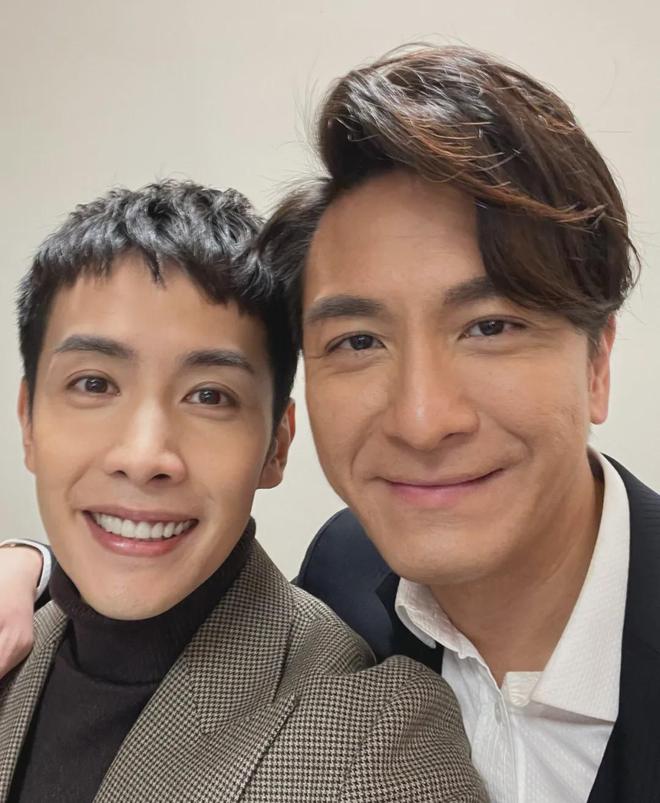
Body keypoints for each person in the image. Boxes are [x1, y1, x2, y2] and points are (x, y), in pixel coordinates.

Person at [3, 43, 656, 802]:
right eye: (359, 341)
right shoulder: (347, 565)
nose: (422, 421)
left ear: (597, 363)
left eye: (490, 327)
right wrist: (35, 567)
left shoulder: (369, 731)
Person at [0, 180, 484, 802]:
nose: (144, 458)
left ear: (276, 446)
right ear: (29, 423)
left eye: (210, 396)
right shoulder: (19, 639)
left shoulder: (378, 743)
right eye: (94, 384)